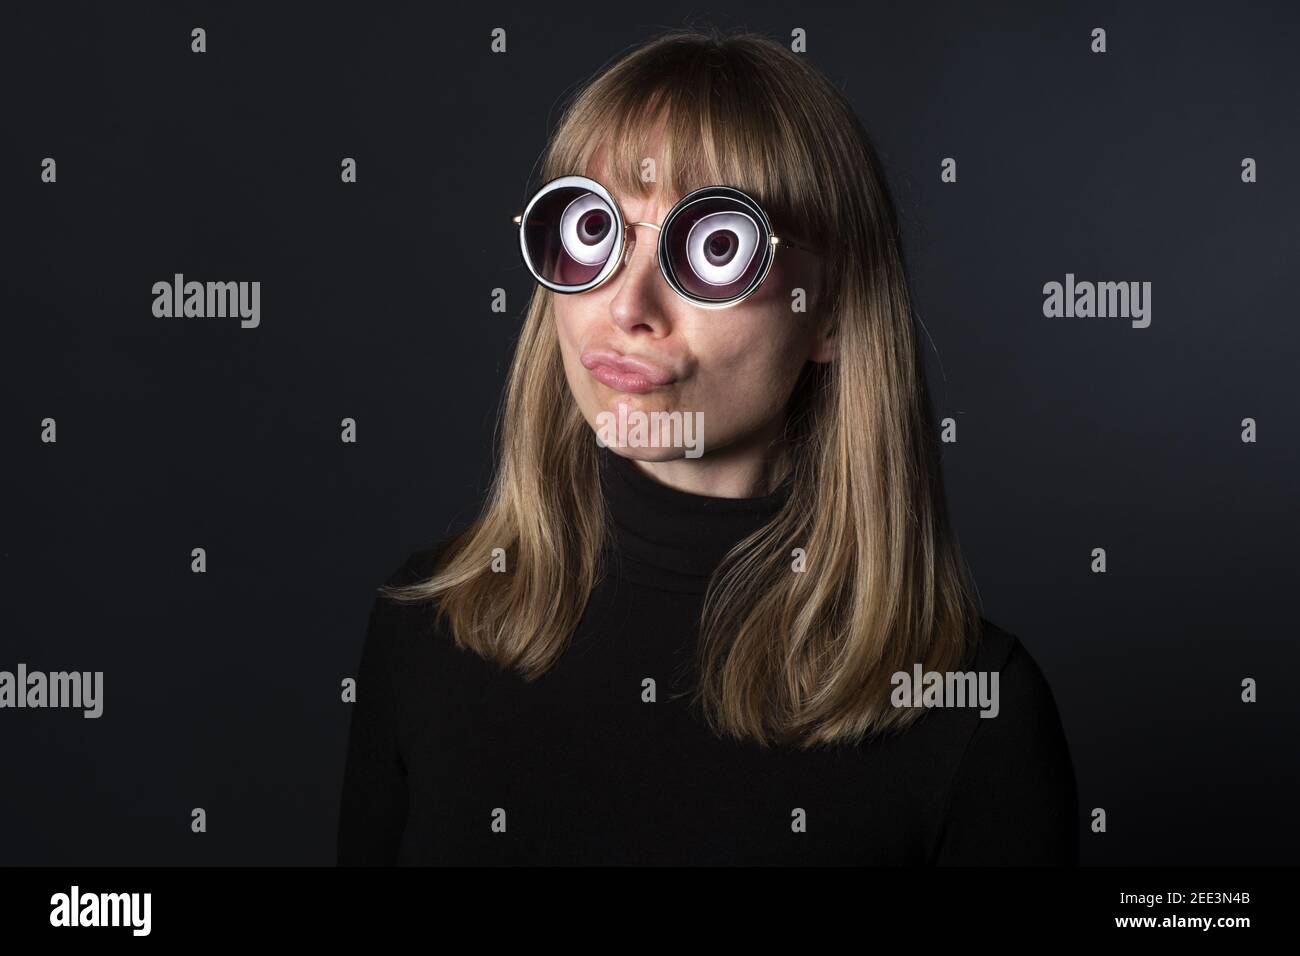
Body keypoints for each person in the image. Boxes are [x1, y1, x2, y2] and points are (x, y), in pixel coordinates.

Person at [337, 27, 1079, 865]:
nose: (628, 306)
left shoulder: (970, 709)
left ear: (830, 314)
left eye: (714, 248)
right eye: (594, 230)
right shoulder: (427, 628)